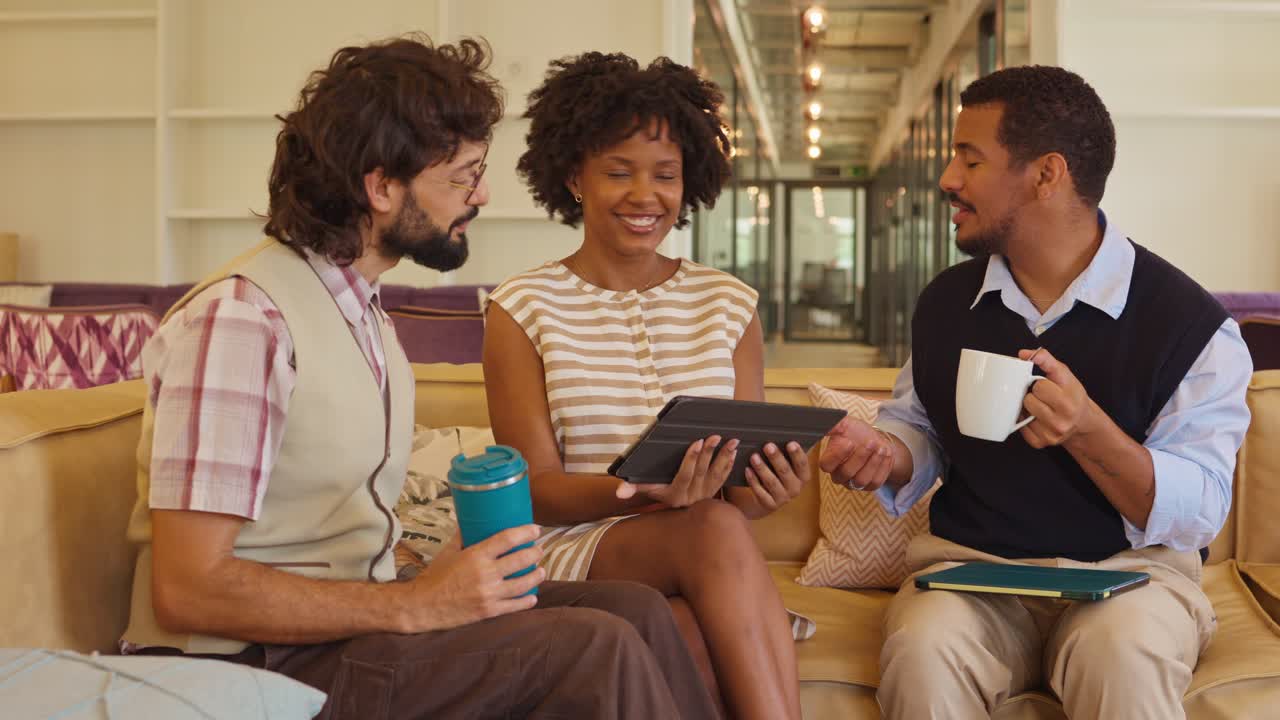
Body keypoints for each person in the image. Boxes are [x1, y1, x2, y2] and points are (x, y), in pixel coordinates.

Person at [119, 35, 719, 720]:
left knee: (634, 610)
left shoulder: (365, 316)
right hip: (245, 666)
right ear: (381, 187)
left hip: (345, 636)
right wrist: (415, 604)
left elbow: (332, 524)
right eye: (463, 176)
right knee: (593, 647)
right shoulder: (243, 322)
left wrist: (424, 573)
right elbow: (190, 589)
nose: (483, 194)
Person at [820, 65, 1252, 720]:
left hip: (1133, 579)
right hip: (972, 575)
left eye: (970, 159)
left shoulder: (1191, 328)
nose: (947, 181)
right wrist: (885, 451)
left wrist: (1087, 430)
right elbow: (921, 427)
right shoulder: (946, 303)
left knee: (1122, 653)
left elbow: (1199, 512)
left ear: (1047, 175)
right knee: (925, 648)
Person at [483, 52, 803, 720]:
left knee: (691, 626)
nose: (645, 196)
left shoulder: (730, 304)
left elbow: (734, 492)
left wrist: (762, 491)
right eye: (618, 171)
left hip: (698, 551)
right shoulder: (522, 308)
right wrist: (643, 493)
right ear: (573, 176)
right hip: (572, 549)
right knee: (710, 528)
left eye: (665, 175)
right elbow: (536, 489)